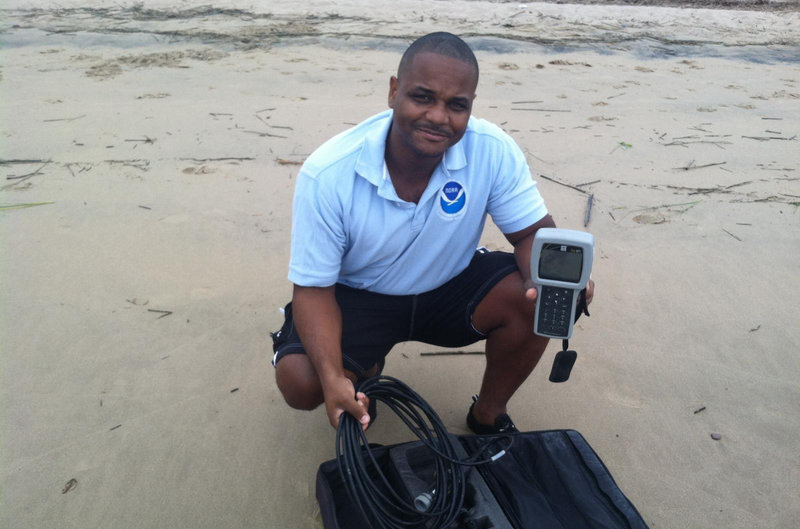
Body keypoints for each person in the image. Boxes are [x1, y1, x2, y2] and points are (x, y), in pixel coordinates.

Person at [272, 32, 594, 434]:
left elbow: (532, 234)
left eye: (457, 105)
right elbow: (313, 288)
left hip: (449, 283)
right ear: (394, 92)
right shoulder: (328, 173)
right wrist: (333, 377)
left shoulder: (491, 149)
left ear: (471, 106)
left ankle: (489, 413)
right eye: (422, 97)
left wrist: (543, 276)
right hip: (359, 294)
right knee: (302, 381)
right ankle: (363, 364)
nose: (440, 117)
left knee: (539, 296)